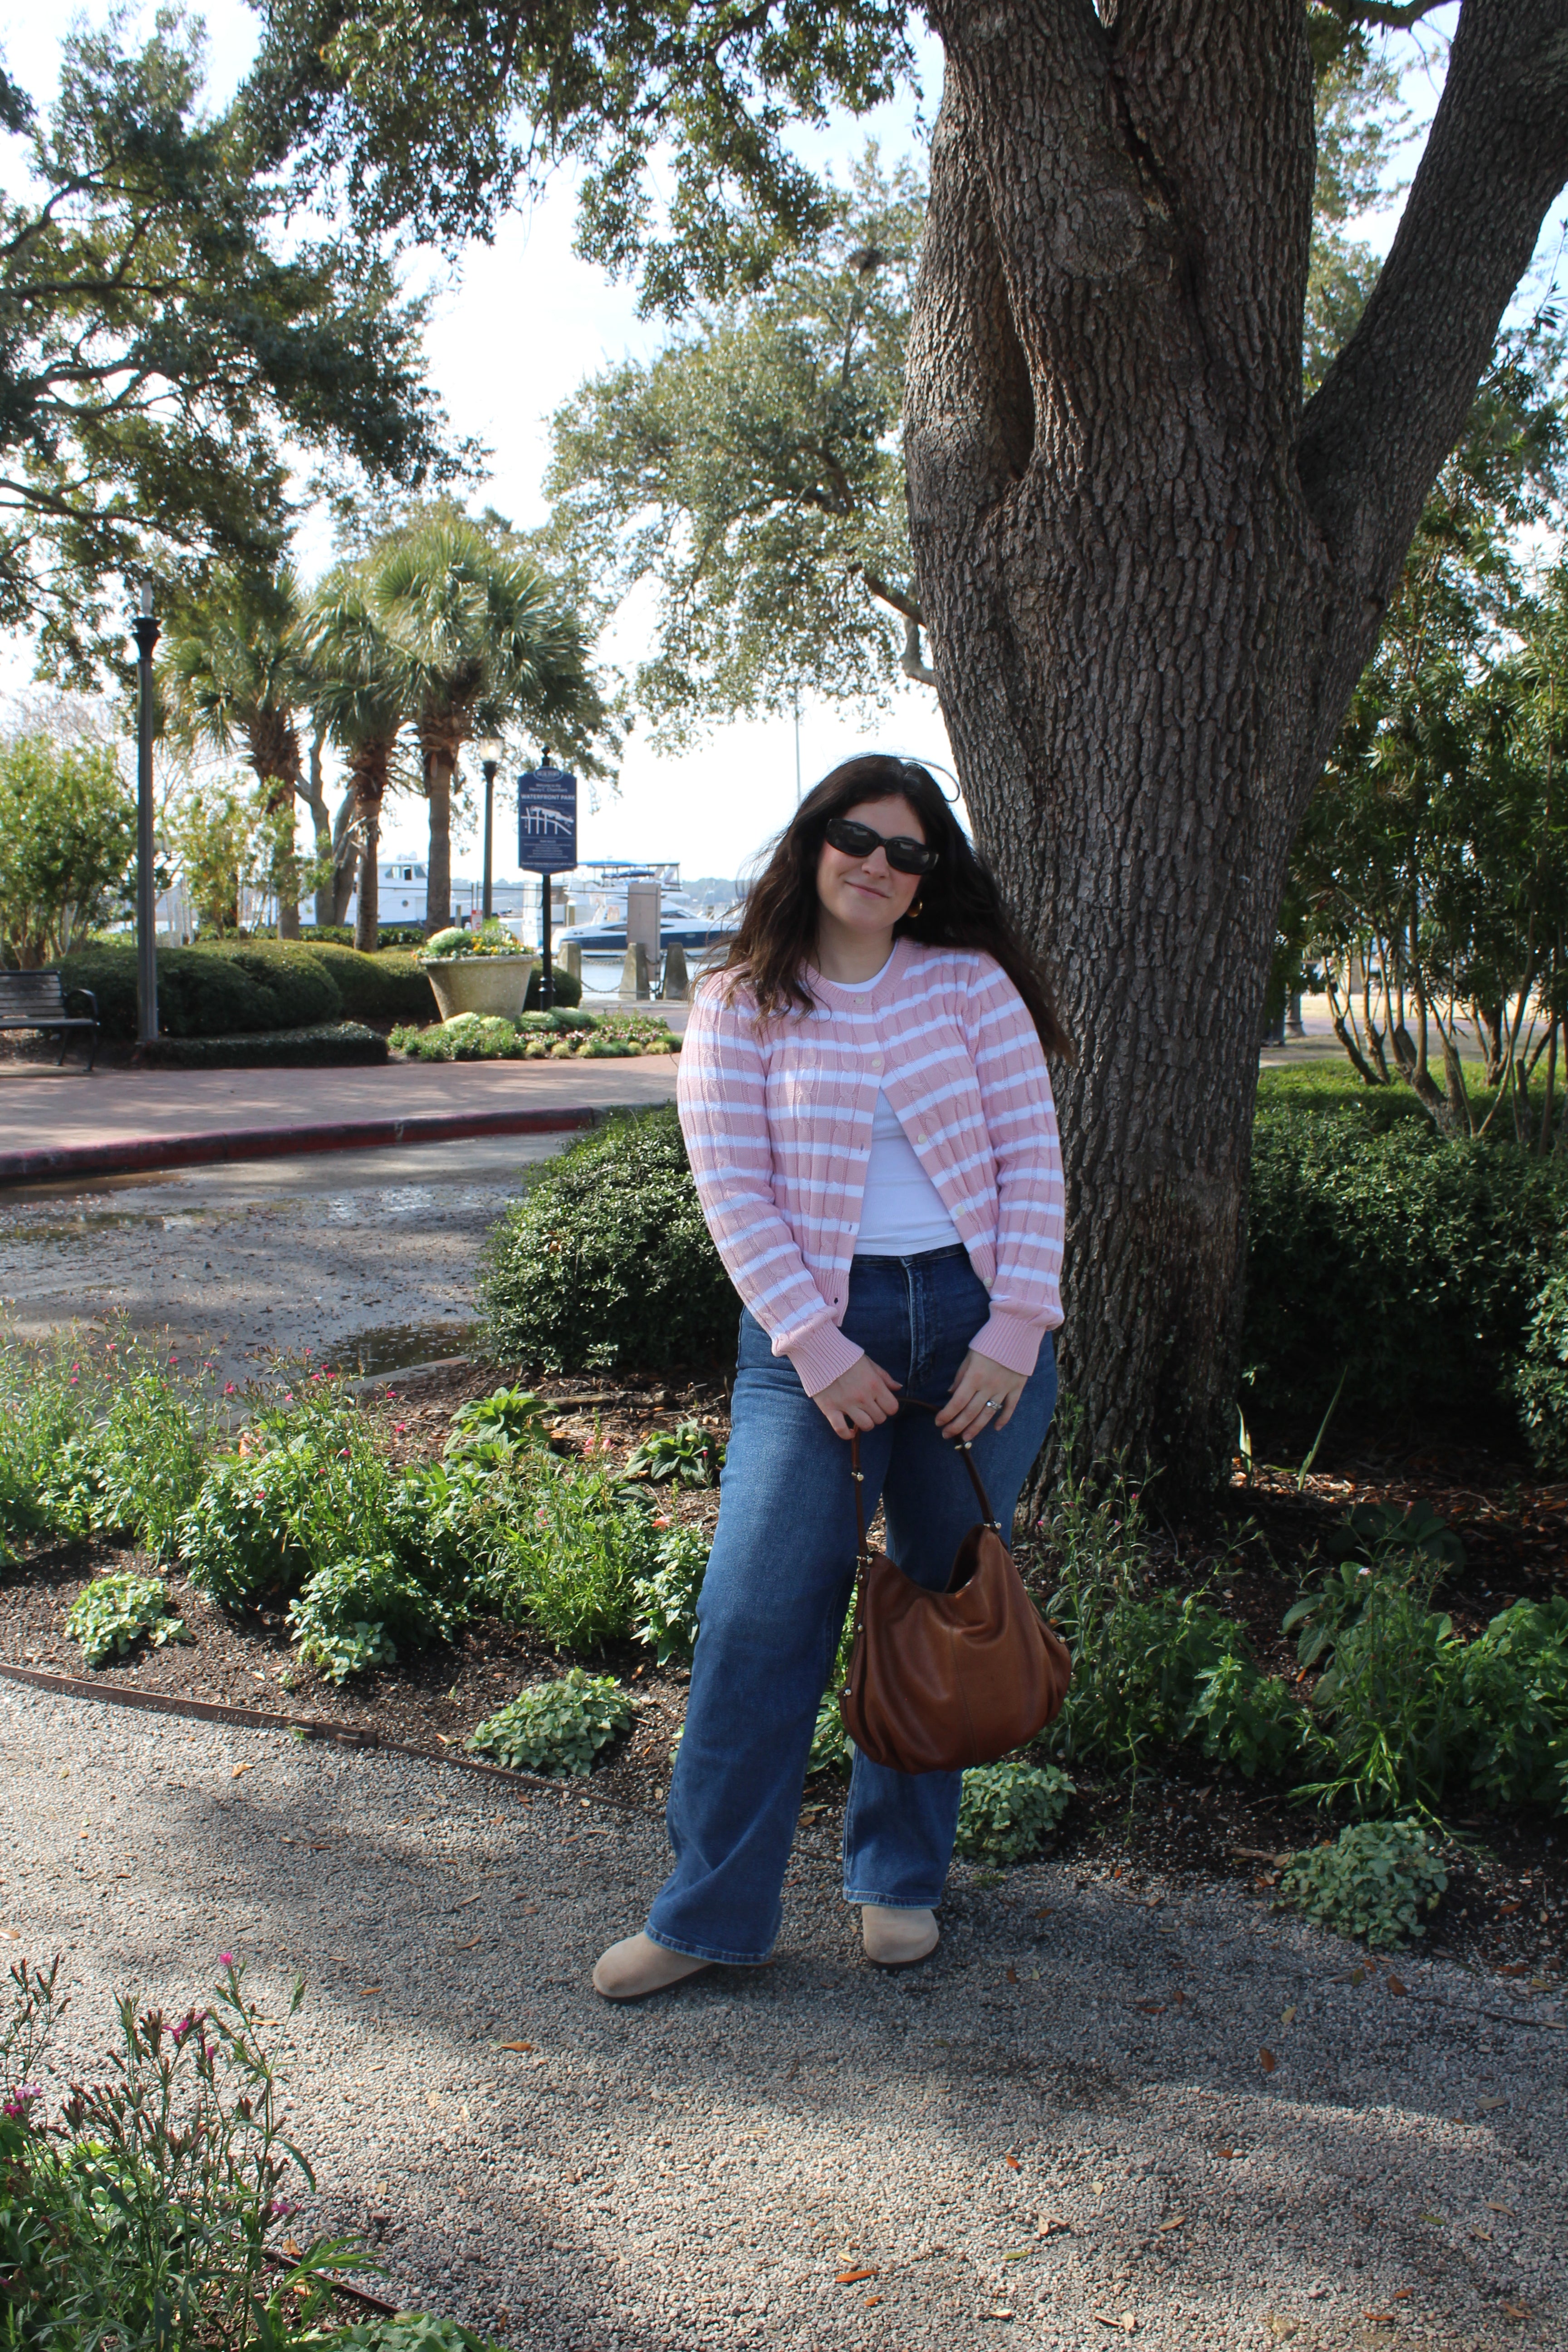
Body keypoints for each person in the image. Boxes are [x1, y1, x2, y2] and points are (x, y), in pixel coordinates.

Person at [592, 755, 1069, 2000]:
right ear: (814, 843)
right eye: (859, 836)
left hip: (974, 1330)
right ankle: (707, 1915)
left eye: (909, 853)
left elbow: (1035, 1161)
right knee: (757, 1614)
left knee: (938, 1602)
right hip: (813, 1338)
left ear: (928, 882)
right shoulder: (743, 998)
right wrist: (817, 1344)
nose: (880, 864)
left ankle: (898, 1881)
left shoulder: (970, 988)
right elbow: (732, 1190)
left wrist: (1015, 1330)